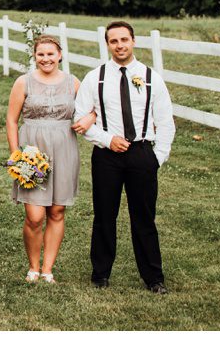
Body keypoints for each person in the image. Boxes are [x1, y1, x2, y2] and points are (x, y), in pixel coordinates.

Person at [73, 20, 175, 293]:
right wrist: (108, 139)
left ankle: (154, 277)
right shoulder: (95, 78)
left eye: (124, 40)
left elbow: (165, 121)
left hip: (142, 153)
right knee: (105, 214)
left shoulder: (151, 77)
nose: (119, 45)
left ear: (133, 41)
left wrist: (157, 158)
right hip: (107, 155)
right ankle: (100, 274)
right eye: (114, 41)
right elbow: (80, 118)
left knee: (144, 217)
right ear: (107, 44)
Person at [5, 34, 85, 283]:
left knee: (57, 211)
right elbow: (11, 120)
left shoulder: (73, 83)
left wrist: (89, 119)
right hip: (32, 151)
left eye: (51, 54)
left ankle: (47, 268)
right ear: (35, 56)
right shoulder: (23, 82)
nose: (46, 59)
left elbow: (91, 110)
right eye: (41, 54)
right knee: (35, 216)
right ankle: (33, 266)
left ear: (60, 55)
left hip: (64, 149)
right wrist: (17, 154)